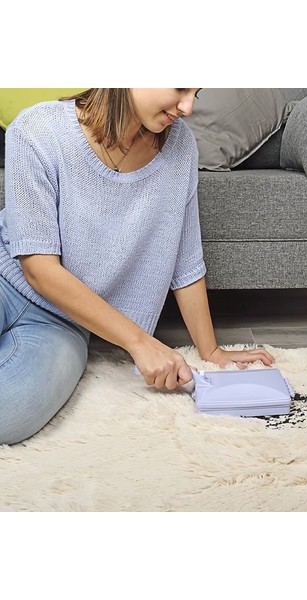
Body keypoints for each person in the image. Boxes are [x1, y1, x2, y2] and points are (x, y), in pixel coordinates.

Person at [0, 88, 275, 445]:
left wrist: (210, 351)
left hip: (63, 321)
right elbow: (38, 268)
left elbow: (186, 258)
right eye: (179, 87)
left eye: (196, 92)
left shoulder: (180, 146)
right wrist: (140, 343)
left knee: (11, 414)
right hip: (5, 279)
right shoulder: (37, 129)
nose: (188, 107)